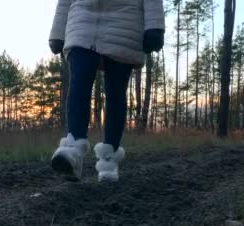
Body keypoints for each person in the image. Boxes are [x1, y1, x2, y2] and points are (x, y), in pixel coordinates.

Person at [49, 0, 165, 182]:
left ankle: (109, 160)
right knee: (79, 81)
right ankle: (72, 150)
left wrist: (155, 26)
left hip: (125, 21)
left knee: (116, 93)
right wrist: (57, 31)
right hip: (82, 19)